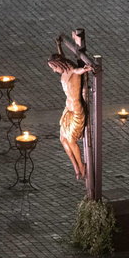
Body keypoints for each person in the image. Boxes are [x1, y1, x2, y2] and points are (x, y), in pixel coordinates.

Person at [47, 36, 92, 180]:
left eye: (54, 67)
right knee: (63, 139)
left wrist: (85, 70)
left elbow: (78, 71)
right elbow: (63, 57)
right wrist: (59, 45)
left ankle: (82, 165)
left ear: (59, 65)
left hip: (76, 110)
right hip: (68, 109)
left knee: (71, 139)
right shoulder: (64, 70)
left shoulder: (72, 70)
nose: (54, 71)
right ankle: (76, 167)